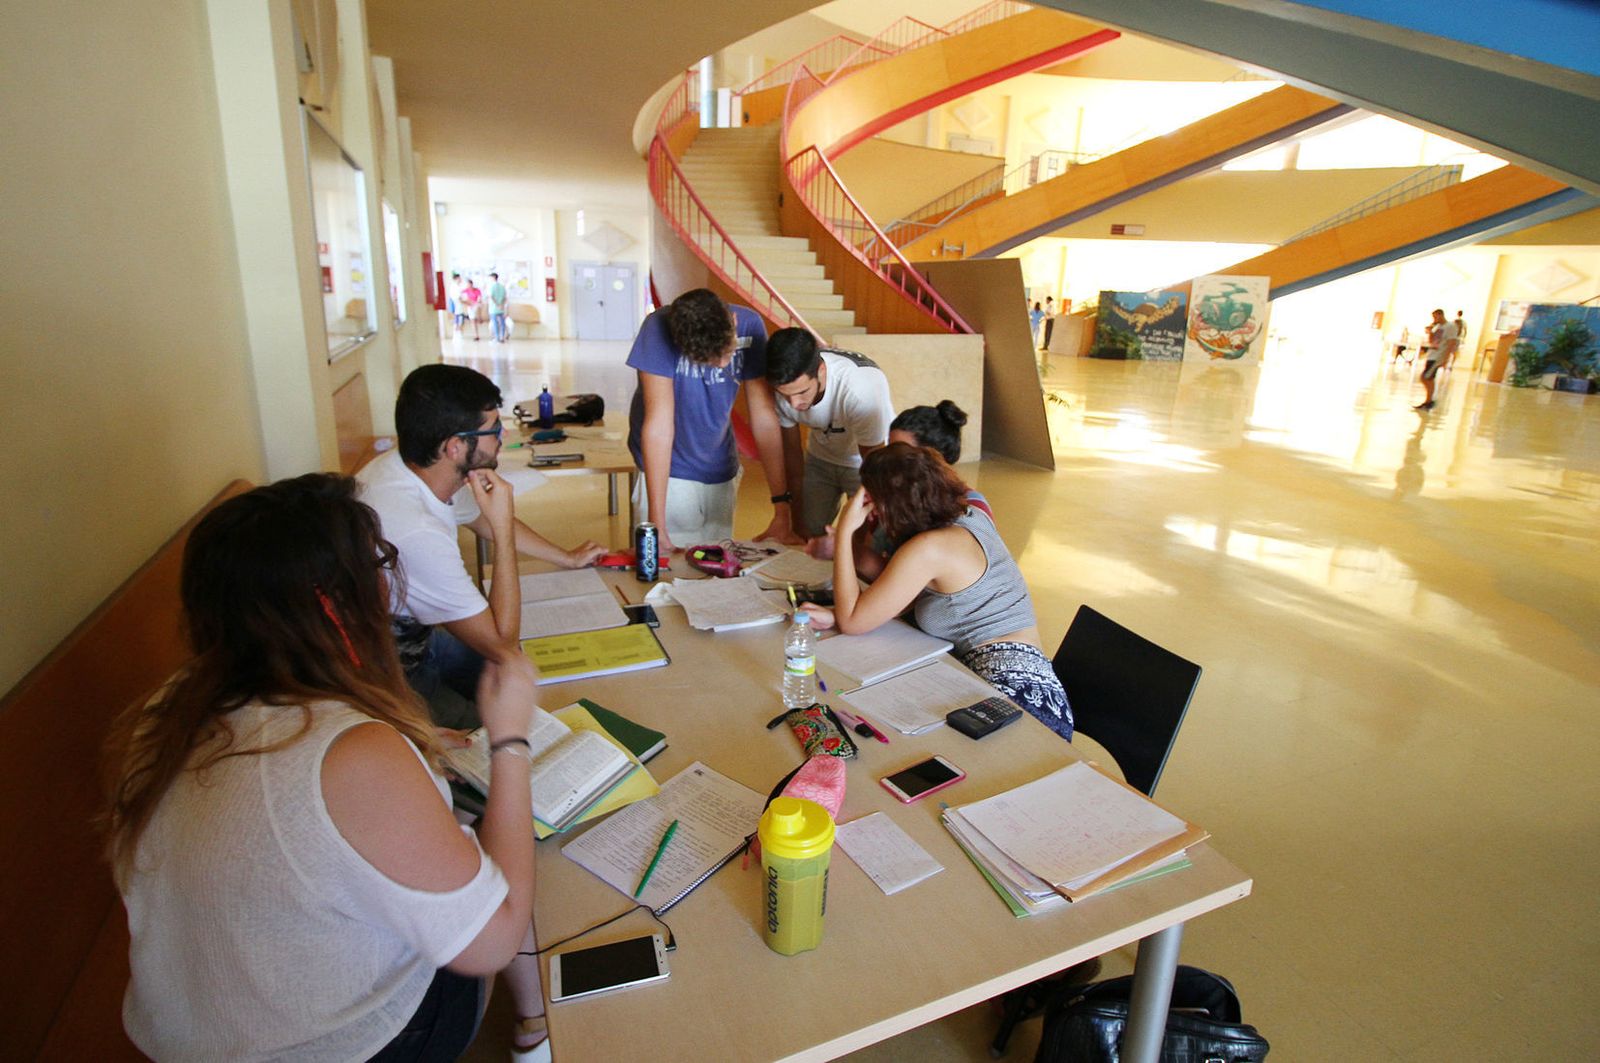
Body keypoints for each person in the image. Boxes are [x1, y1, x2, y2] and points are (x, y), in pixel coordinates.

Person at [103, 474, 550, 1061]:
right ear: (337, 604)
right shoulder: (353, 752)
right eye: (380, 564)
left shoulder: (170, 709)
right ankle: (536, 1032)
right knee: (528, 859)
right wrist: (509, 741)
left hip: (184, 1031)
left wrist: (406, 753)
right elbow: (493, 944)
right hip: (332, 1043)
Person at [359, 364, 603, 727]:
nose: (502, 437)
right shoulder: (416, 532)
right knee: (511, 719)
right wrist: (504, 531)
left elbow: (479, 517)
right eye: (493, 430)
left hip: (415, 640)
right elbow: (503, 644)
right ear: (455, 446)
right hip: (387, 676)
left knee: (537, 680)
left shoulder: (413, 465)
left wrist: (566, 558)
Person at [802, 443, 1072, 739]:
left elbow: (854, 622)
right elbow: (893, 591)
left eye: (873, 501)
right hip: (1030, 682)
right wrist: (836, 615)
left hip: (1016, 697)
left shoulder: (929, 549)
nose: (872, 512)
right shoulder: (966, 516)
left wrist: (844, 532)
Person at [626, 288, 798, 552]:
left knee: (715, 564)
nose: (721, 365)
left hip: (720, 465)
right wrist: (657, 524)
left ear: (733, 322)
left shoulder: (750, 325)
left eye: (728, 354)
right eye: (709, 360)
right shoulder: (657, 328)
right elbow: (659, 427)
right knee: (669, 570)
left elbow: (763, 417)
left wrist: (781, 506)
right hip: (670, 470)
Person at [765, 328, 894, 538]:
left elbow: (874, 469)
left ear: (821, 372)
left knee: (866, 535)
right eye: (785, 396)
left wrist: (858, 539)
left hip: (865, 462)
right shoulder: (784, 392)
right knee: (810, 529)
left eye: (801, 392)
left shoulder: (860, 390)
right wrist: (798, 530)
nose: (794, 404)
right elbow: (793, 462)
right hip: (821, 457)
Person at [1415, 307, 1457, 410]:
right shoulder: (1437, 327)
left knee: (1425, 377)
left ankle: (1430, 400)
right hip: (1432, 354)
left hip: (1438, 356)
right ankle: (1428, 400)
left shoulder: (1450, 326)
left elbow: (1451, 342)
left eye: (1435, 317)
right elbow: (1432, 341)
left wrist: (1446, 358)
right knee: (1429, 378)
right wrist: (1430, 332)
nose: (1434, 319)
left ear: (1441, 315)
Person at [488, 272, 510, 342]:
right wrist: (501, 305)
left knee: (495, 323)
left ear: (493, 278)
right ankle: (502, 337)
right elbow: (504, 297)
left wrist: (497, 304)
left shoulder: (491, 286)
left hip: (493, 308)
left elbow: (491, 296)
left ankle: (497, 337)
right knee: (502, 323)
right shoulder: (502, 286)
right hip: (501, 308)